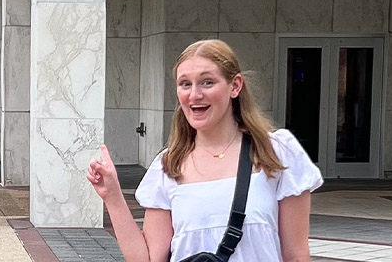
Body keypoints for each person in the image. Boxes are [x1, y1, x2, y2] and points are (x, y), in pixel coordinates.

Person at [88, 39, 322, 262]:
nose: (194, 94)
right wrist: (113, 196)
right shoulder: (168, 166)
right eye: (185, 84)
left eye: (207, 82)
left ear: (235, 86)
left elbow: (296, 255)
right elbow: (148, 259)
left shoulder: (277, 152)